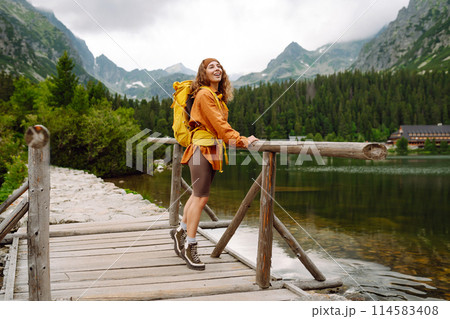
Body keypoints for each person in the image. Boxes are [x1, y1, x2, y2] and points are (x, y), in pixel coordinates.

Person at [170, 58, 258, 270]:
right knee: (201, 198)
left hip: (212, 148)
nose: (217, 69)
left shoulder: (216, 96)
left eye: (219, 66)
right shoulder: (204, 94)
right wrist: (242, 140)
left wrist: (235, 139)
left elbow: (219, 126)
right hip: (202, 148)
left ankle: (181, 232)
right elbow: (220, 126)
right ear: (203, 73)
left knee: (197, 195)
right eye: (211, 67)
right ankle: (190, 247)